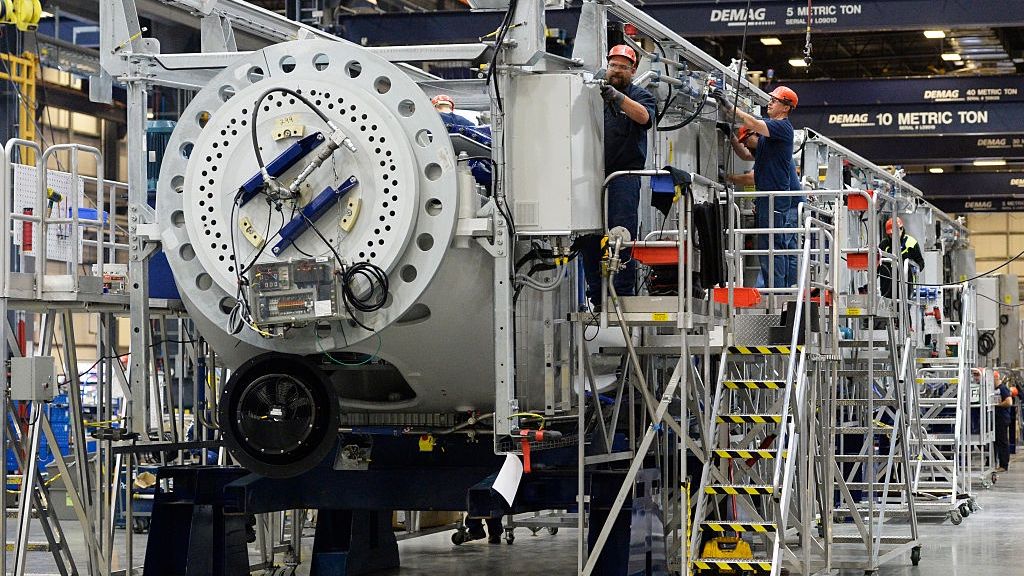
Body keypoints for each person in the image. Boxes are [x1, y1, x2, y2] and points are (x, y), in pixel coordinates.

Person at [579, 45, 657, 309]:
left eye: (623, 67)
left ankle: (622, 296)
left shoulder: (639, 95)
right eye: (614, 65)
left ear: (633, 70)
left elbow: (645, 117)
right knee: (588, 234)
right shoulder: (594, 94)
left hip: (623, 177)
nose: (617, 70)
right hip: (591, 176)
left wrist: (618, 98)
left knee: (620, 235)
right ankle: (597, 296)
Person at [717, 86, 802, 288]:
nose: (769, 103)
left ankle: (777, 292)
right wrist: (731, 134)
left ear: (786, 108)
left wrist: (730, 106)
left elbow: (754, 123)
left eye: (775, 100)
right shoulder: (767, 142)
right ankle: (778, 289)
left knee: (774, 245)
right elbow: (746, 155)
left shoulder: (782, 128)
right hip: (768, 197)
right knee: (770, 246)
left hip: (776, 198)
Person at [878, 217, 924, 298]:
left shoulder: (911, 243)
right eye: (890, 234)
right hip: (886, 286)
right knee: (887, 309)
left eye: (895, 233)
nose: (893, 236)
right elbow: (877, 263)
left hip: (906, 285)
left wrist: (914, 269)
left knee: (903, 308)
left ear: (901, 229)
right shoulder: (883, 245)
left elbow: (920, 262)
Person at [995, 372, 1013, 472]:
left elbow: (1009, 402)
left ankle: (1003, 465)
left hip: (1002, 418)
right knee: (997, 441)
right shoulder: (995, 389)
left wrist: (997, 405)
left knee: (1002, 442)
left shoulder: (1002, 388)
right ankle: (994, 462)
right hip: (997, 419)